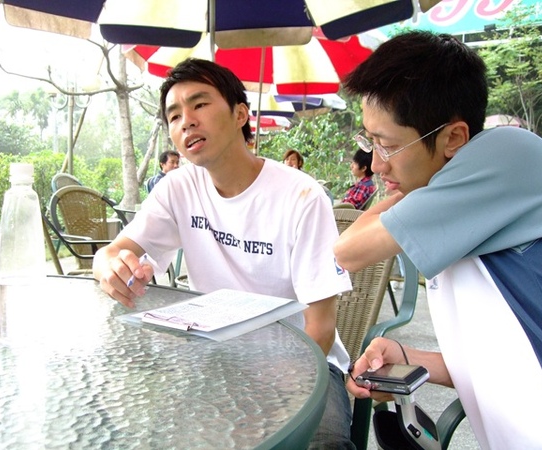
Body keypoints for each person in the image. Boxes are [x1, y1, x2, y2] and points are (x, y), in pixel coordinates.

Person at [93, 58, 355, 449]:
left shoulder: (301, 196)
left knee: (321, 444)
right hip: (214, 358)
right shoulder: (177, 188)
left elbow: (320, 327)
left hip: (303, 363)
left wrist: (274, 402)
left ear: (240, 115)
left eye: (199, 104)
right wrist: (111, 267)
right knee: (137, 428)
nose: (186, 121)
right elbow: (112, 253)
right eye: (174, 115)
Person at [333, 31, 542, 449]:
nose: (376, 164)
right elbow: (503, 359)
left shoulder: (508, 154)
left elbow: (348, 250)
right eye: (370, 141)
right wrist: (411, 360)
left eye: (387, 145)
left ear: (453, 138)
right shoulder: (464, 207)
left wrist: (414, 191)